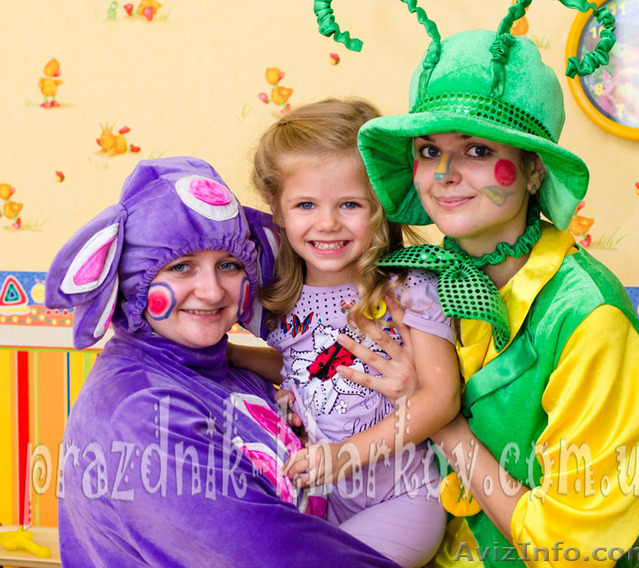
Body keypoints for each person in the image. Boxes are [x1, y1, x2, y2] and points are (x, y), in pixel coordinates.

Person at [314, 0, 639, 567]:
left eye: (478, 150)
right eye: (429, 150)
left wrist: (439, 418)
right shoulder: (418, 281)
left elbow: (572, 549)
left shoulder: (587, 315)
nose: (445, 173)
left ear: (532, 170)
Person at [44, 156, 402, 567]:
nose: (212, 292)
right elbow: (273, 554)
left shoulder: (224, 369)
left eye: (228, 265)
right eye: (181, 267)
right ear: (134, 280)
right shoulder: (142, 409)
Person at [244, 98, 460, 567]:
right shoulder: (281, 296)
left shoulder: (410, 288)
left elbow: (441, 398)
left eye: (349, 204)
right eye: (306, 204)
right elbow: (302, 365)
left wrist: (345, 455)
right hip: (321, 500)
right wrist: (228, 355)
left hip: (403, 498)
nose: (327, 223)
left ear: (379, 205)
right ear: (277, 209)